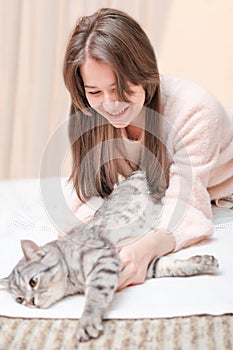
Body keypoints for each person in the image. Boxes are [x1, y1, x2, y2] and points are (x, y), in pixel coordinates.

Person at [63, 8, 233, 290]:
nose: (111, 104)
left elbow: (187, 208)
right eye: (95, 92)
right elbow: (90, 194)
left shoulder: (195, 111)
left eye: (121, 88)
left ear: (144, 73)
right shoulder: (93, 115)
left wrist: (145, 249)